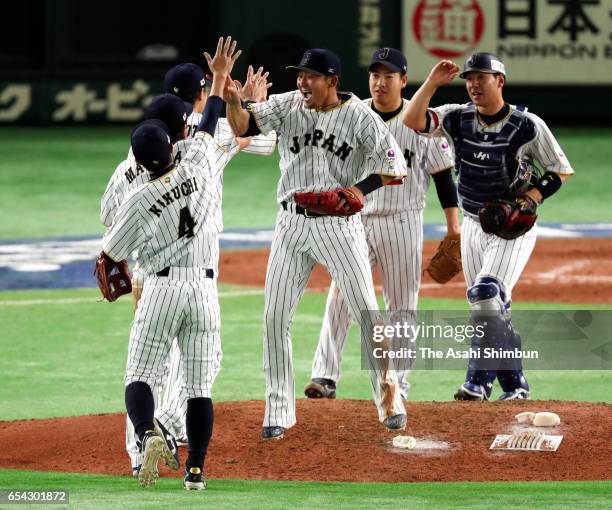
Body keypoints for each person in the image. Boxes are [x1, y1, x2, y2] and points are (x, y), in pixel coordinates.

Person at [224, 48, 409, 440]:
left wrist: (358, 190)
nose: (302, 82)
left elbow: (395, 166)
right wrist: (232, 101)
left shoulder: (359, 115)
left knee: (367, 315)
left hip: (339, 228)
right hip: (290, 224)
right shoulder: (288, 104)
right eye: (299, 75)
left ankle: (389, 396)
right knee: (274, 318)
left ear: (332, 81)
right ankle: (277, 410)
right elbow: (243, 127)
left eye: (310, 76)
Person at [101, 62, 276, 476]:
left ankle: (141, 447)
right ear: (193, 102)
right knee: (199, 367)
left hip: (149, 273)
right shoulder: (200, 146)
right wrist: (246, 103)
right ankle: (173, 434)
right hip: (194, 274)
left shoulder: (136, 154)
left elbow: (110, 214)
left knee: (145, 369)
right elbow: (259, 142)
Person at [403, 52, 574, 400]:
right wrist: (432, 84)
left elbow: (559, 170)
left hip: (513, 228)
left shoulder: (528, 125)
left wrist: (532, 198)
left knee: (486, 294)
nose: (473, 84)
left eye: (482, 77)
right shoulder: (456, 117)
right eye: (469, 78)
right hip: (472, 224)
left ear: (500, 81)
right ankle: (515, 384)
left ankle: (476, 382)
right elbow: (411, 120)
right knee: (490, 307)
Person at [304, 47, 459, 401]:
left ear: (403, 81)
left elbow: (444, 178)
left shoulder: (421, 122)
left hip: (403, 221)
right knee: (340, 297)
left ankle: (398, 384)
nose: (380, 82)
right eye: (375, 75)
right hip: (355, 221)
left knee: (401, 304)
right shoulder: (353, 116)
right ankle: (325, 376)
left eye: (389, 76)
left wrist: (454, 228)